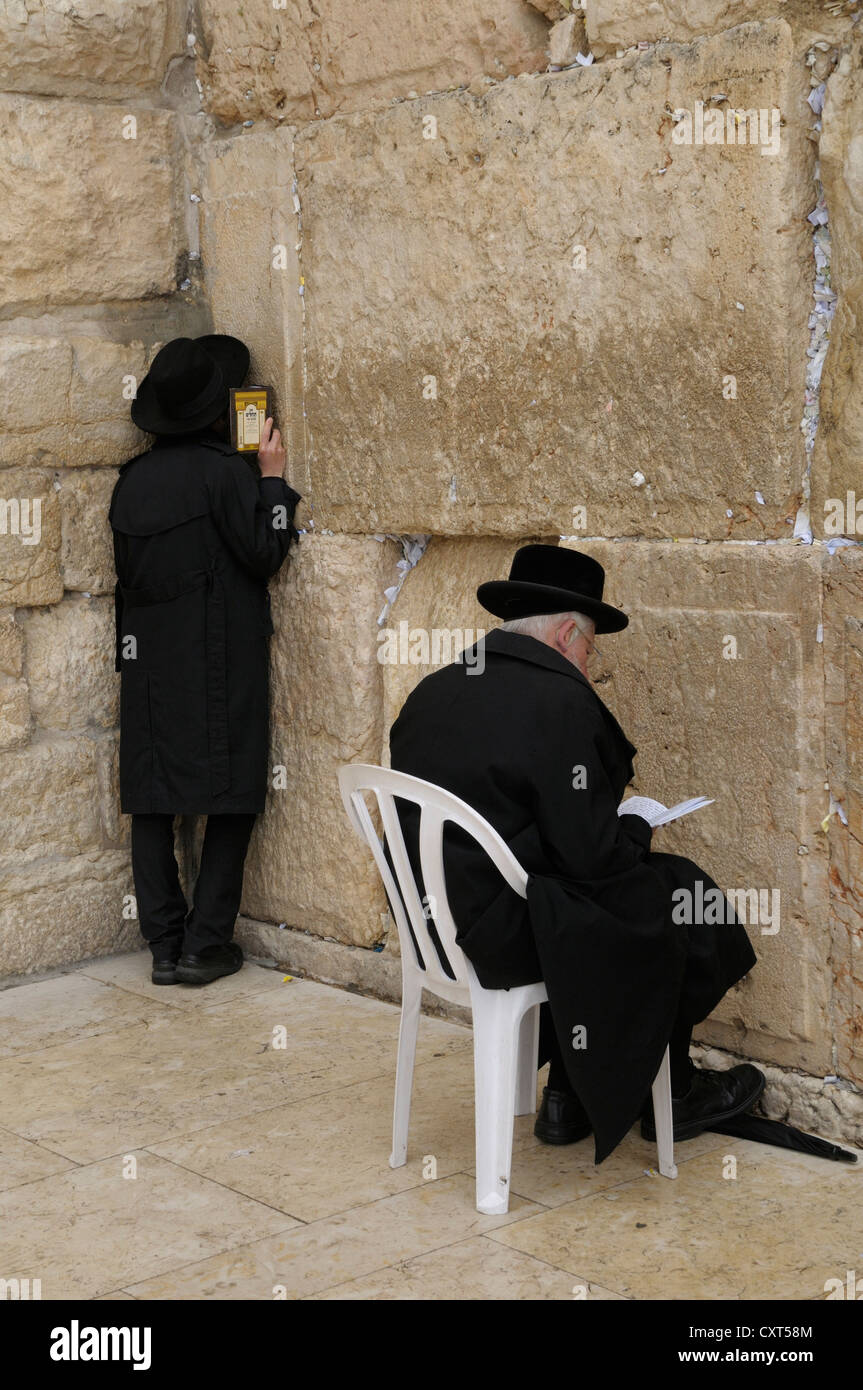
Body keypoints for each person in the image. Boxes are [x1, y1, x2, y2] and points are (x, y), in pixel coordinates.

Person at [389, 544, 762, 1163]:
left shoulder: (435, 689)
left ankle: (568, 1092)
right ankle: (669, 1090)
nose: (589, 666)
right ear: (566, 636)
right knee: (680, 897)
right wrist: (637, 828)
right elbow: (591, 859)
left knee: (599, 897)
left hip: (434, 924)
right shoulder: (560, 703)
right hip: (503, 936)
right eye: (590, 650)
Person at [109, 335, 301, 987]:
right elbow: (264, 555)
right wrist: (271, 483)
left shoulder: (130, 483)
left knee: (153, 799)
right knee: (230, 795)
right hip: (219, 658)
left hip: (148, 667)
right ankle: (204, 943)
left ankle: (163, 945)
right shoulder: (226, 473)